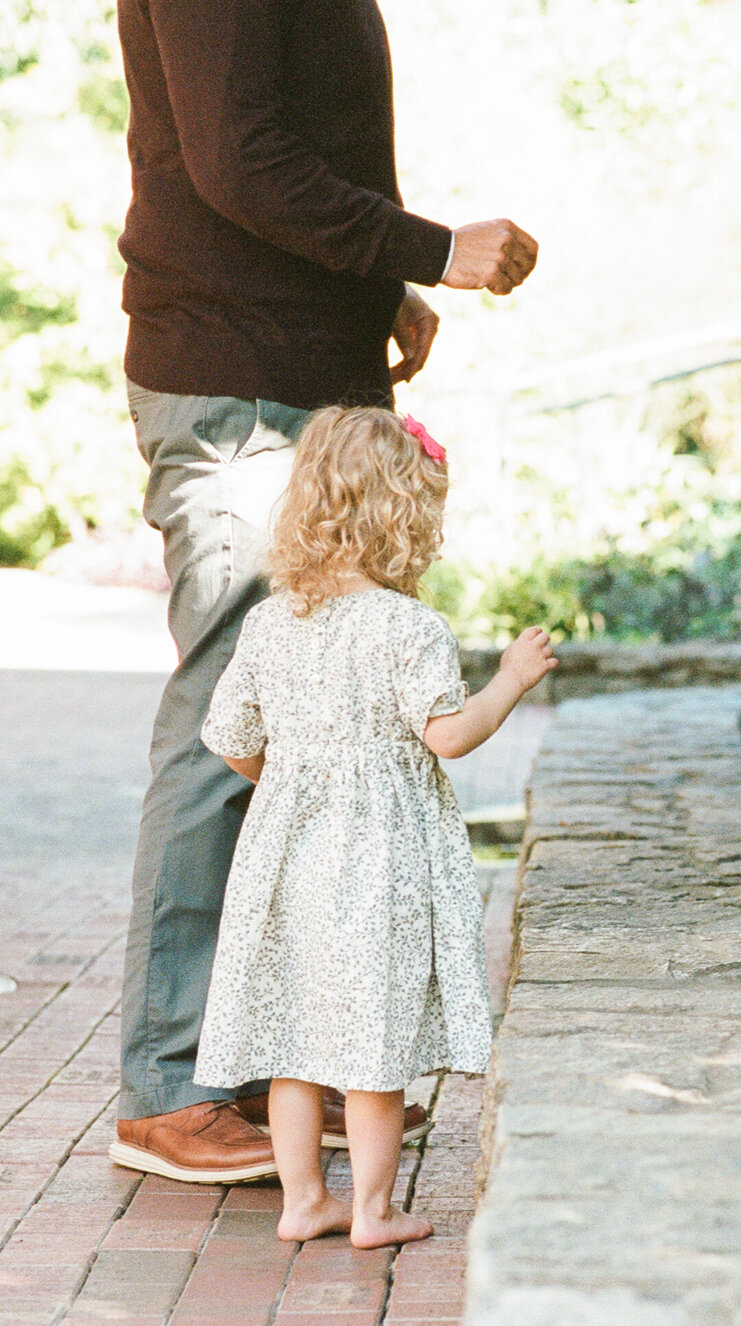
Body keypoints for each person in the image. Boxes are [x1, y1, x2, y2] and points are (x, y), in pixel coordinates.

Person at [110, 0, 539, 1181]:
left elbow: (288, 147)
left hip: (297, 369)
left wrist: (373, 292)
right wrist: (428, 247)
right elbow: (235, 160)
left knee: (300, 731)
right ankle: (166, 1086)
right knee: (230, 727)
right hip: (241, 391)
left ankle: (250, 1075)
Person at [190, 406, 555, 1246]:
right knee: (374, 1044)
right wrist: (511, 679)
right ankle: (373, 1210)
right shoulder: (407, 627)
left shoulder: (271, 620)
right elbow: (451, 735)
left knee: (294, 1039)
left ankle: (302, 1201)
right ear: (406, 516)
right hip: (378, 862)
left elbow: (231, 740)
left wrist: (291, 782)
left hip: (287, 858)